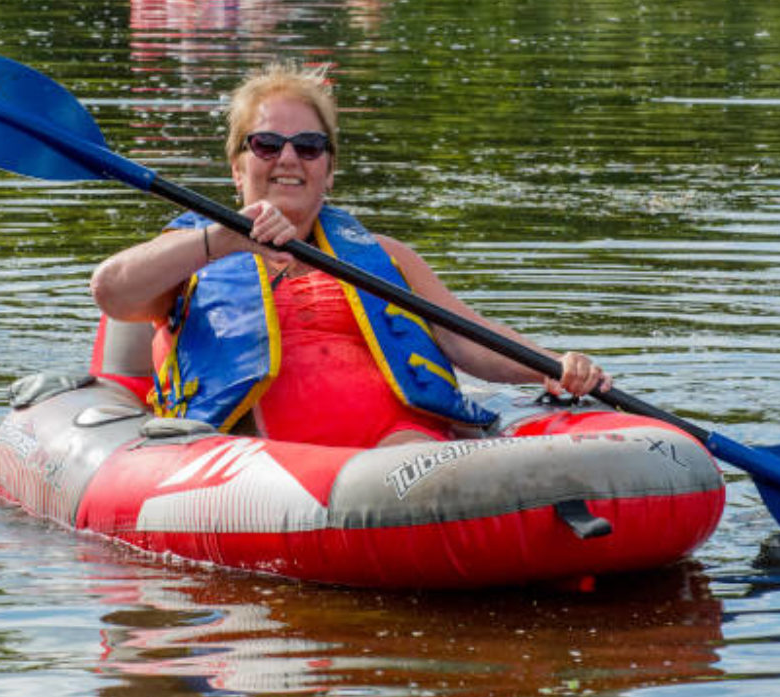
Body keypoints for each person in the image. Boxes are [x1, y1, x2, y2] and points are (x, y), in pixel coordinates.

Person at [90, 62, 611, 448]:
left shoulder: (385, 257)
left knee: (416, 459)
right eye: (267, 144)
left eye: (309, 147)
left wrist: (550, 366)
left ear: (329, 171)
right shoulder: (191, 254)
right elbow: (112, 292)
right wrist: (223, 240)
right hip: (260, 470)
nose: (289, 158)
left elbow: (466, 336)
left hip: (402, 453)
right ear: (236, 167)